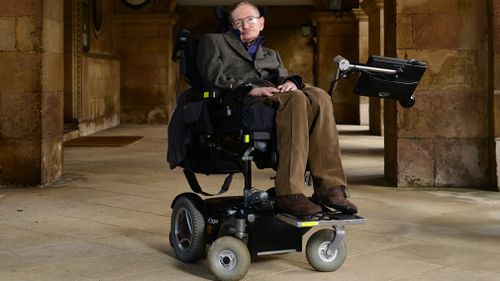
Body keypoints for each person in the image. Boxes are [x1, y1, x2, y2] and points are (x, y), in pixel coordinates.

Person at [196, 1, 358, 216]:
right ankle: (289, 193)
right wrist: (248, 90)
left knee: (320, 96)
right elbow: (212, 78)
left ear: (261, 23)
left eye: (250, 20)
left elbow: (282, 76)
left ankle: (329, 187)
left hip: (276, 92)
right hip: (242, 98)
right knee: (296, 100)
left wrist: (291, 81)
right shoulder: (214, 41)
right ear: (231, 25)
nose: (245, 25)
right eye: (239, 22)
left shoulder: (271, 54)